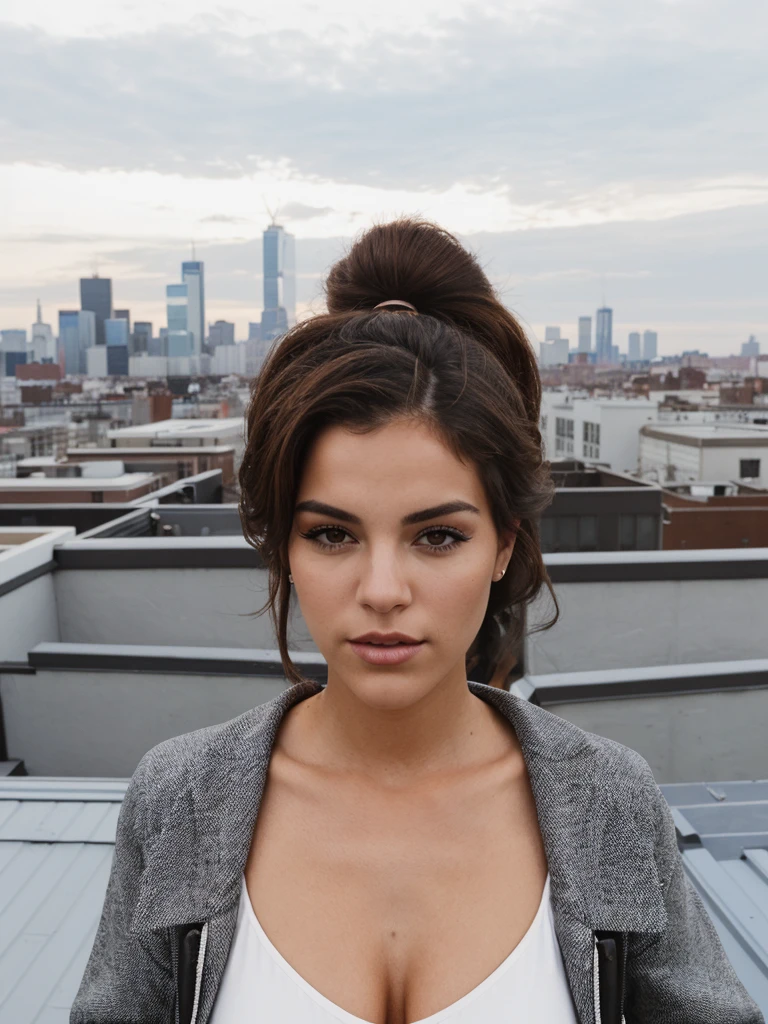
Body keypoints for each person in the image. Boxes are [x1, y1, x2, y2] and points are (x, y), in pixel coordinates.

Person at [71, 219, 763, 1024]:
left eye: (438, 536)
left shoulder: (609, 805)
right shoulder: (180, 802)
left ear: (504, 544)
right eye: (332, 534)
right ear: (283, 548)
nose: (384, 589)